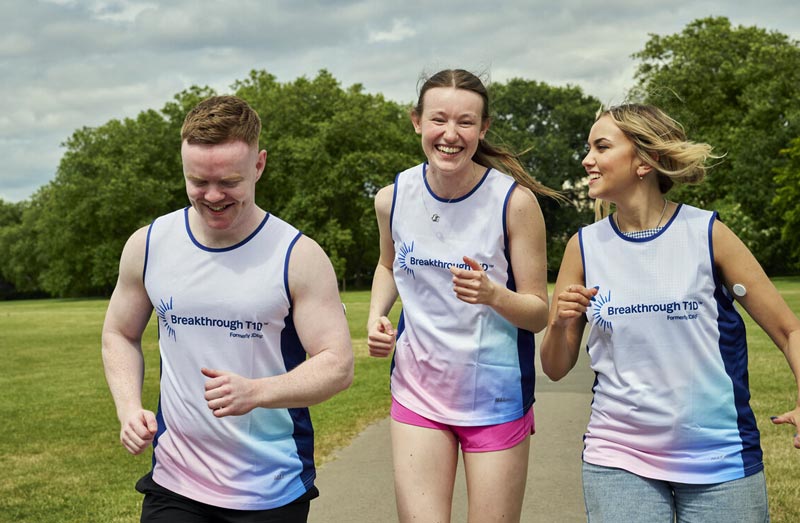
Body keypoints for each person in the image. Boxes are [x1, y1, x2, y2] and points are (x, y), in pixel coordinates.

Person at [540, 103, 800, 522]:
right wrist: (559, 324)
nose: (587, 160)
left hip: (719, 457)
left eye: (601, 147)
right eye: (588, 148)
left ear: (645, 161)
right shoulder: (583, 247)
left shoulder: (708, 234)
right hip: (617, 456)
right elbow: (554, 368)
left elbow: (790, 332)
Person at [101, 95, 353, 523]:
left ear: (259, 165)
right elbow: (119, 334)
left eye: (229, 182)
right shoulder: (149, 244)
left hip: (269, 488)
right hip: (175, 482)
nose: (213, 196)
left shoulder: (297, 255)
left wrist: (257, 392)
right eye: (198, 181)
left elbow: (337, 365)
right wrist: (128, 408)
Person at [367, 69, 560, 522]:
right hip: (417, 393)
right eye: (439, 119)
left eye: (466, 122)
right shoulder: (392, 198)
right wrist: (377, 315)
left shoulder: (514, 203)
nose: (450, 134)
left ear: (483, 128)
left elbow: (538, 313)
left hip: (495, 398)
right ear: (417, 121)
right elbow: (387, 265)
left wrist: (494, 295)